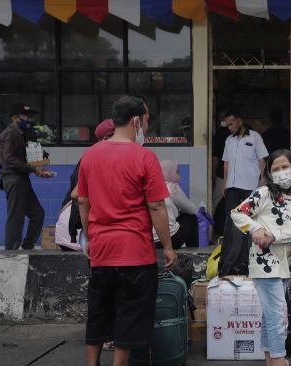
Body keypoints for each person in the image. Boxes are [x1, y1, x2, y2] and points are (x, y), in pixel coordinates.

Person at [77, 95, 177, 366]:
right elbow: (157, 206)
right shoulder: (145, 156)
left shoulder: (90, 155)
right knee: (130, 315)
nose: (146, 125)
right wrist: (167, 246)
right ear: (136, 121)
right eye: (145, 120)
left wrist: (91, 236)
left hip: (101, 252)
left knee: (98, 312)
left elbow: (83, 201)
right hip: (135, 253)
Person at [230, 149, 291, 366]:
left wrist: (273, 236)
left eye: (285, 167)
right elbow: (237, 212)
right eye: (275, 169)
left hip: (286, 262)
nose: (281, 172)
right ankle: (278, 360)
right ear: (268, 173)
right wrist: (255, 228)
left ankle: (270, 360)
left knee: (270, 316)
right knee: (278, 317)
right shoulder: (263, 193)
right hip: (264, 264)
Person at [219, 108, 269, 276]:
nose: (229, 127)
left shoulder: (254, 137)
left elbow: (262, 159)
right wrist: (225, 183)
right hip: (232, 184)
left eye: (232, 124)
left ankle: (248, 248)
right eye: (227, 125)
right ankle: (230, 251)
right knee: (231, 218)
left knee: (250, 217)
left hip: (249, 184)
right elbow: (225, 162)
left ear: (239, 121)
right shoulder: (228, 140)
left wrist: (262, 179)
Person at [0, 103, 53, 250]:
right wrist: (34, 169)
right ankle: (11, 251)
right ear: (15, 118)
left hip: (22, 178)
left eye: (31, 116)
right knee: (16, 216)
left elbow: (36, 157)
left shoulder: (25, 133)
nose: (30, 119)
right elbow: (9, 159)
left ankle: (28, 247)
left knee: (38, 214)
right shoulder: (10, 133)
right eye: (26, 116)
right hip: (13, 178)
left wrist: (41, 169)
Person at [56, 119, 115, 251]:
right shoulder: (97, 158)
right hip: (83, 234)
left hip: (75, 231)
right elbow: (78, 195)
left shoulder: (90, 156)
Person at [153, 160, 199, 249]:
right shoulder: (172, 187)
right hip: (169, 240)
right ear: (168, 173)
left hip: (150, 241)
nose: (179, 176)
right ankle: (194, 253)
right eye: (177, 172)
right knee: (191, 218)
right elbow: (192, 209)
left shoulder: (149, 186)